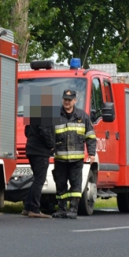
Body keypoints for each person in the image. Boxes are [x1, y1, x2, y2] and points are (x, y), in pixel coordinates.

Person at [52, 89, 97, 219]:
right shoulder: (55, 115)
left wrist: (92, 153)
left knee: (76, 184)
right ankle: (61, 209)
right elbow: (49, 134)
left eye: (69, 100)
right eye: (65, 99)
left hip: (76, 160)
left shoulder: (82, 116)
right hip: (60, 158)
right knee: (60, 184)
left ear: (74, 101)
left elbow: (90, 136)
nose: (67, 102)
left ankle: (73, 209)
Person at [22, 89, 56, 219]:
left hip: (30, 149)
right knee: (40, 180)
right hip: (41, 151)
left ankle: (27, 207)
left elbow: (26, 131)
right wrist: (51, 145)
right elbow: (45, 130)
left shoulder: (33, 112)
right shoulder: (46, 110)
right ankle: (34, 209)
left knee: (36, 178)